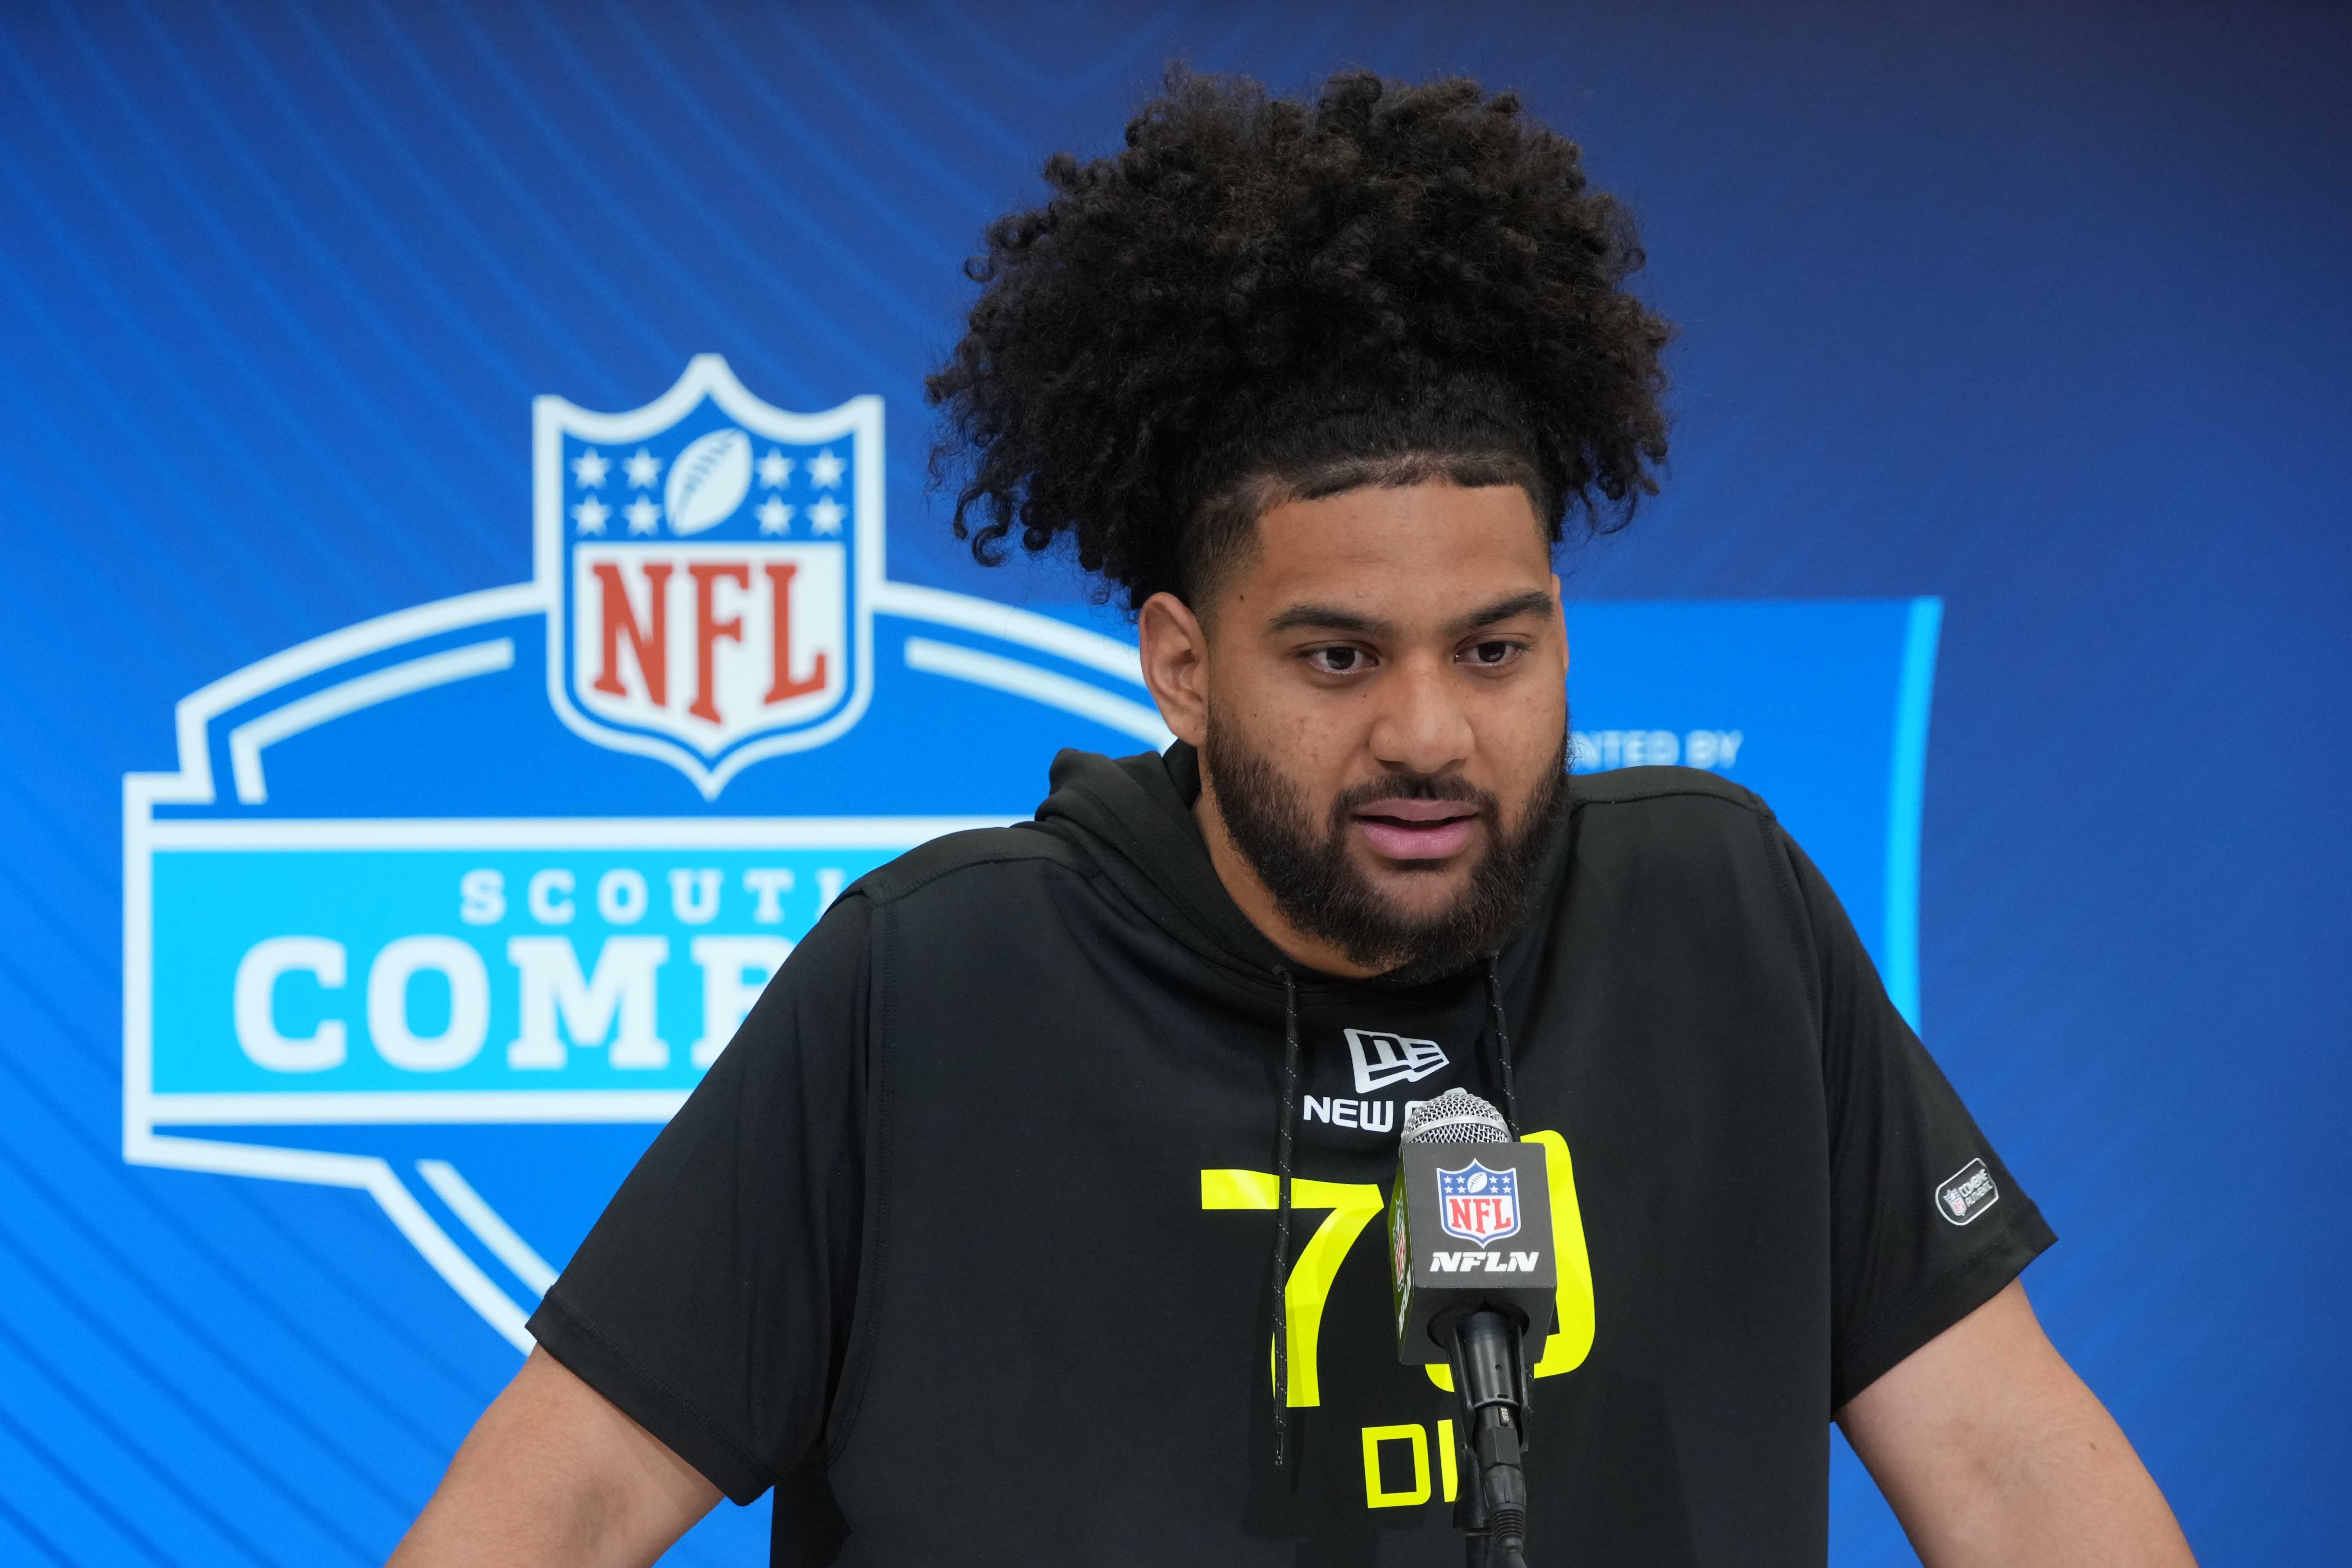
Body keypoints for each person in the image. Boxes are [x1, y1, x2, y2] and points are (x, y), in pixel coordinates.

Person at [391, 68, 2196, 1568]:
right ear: (1182, 667)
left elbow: (2017, 1468)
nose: (1430, 732)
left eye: (1495, 647)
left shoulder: (1717, 911)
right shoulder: (936, 974)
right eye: (1336, 656)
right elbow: (557, 1502)